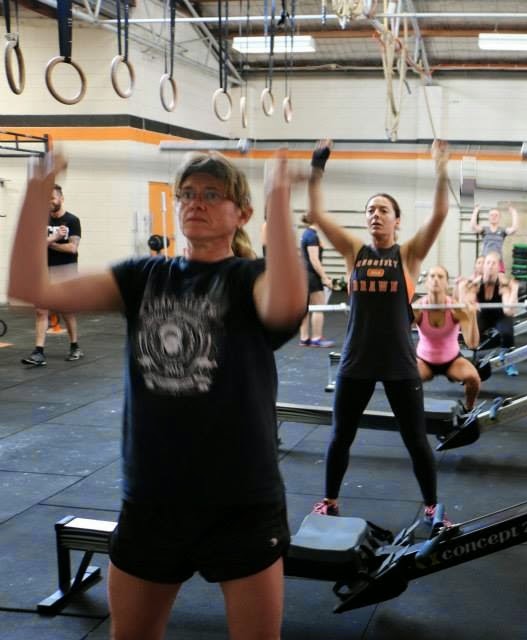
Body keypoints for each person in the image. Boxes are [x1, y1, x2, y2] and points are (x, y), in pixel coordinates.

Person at [8, 149, 305, 639]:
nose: (196, 203)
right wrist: (36, 195)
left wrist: (280, 197)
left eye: (213, 195)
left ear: (242, 213)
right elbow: (29, 286)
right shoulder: (142, 277)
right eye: (187, 194)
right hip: (152, 497)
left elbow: (287, 306)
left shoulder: (249, 279)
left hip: (240, 499)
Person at [306, 139, 452, 524]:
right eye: (370, 210)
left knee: (416, 440)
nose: (375, 215)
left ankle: (432, 507)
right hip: (356, 360)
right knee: (341, 436)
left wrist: (441, 167)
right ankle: (330, 500)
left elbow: (439, 213)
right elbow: (317, 213)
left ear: (397, 220)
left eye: (383, 210)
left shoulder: (409, 255)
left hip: (399, 362)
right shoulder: (355, 251)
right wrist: (317, 166)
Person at [21, 183, 84, 366]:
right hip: (44, 270)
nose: (49, 202)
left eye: (52, 198)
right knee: (41, 311)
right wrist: (54, 238)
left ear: (61, 199)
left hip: (66, 270)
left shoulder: (72, 221)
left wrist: (49, 242)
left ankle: (75, 346)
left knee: (67, 311)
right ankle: (38, 352)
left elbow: (72, 248)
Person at [414, 266, 481, 415]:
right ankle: (413, 413)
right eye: (432, 276)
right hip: (424, 361)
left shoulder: (456, 309)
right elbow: (399, 333)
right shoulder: (417, 308)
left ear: (446, 283)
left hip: (452, 361)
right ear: (426, 283)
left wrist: (472, 316)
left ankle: (468, 409)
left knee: (474, 379)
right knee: (406, 380)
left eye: (440, 276)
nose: (436, 279)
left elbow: (473, 344)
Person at [475, 251, 520, 375]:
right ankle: (474, 359)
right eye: (488, 263)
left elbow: (508, 310)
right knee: (473, 332)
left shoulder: (502, 285)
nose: (490, 266)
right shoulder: (477, 283)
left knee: (507, 332)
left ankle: (509, 361)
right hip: (483, 315)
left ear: (498, 267)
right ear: (484, 266)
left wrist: (514, 290)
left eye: (493, 263)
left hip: (500, 315)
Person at [299, 215, 335, 347]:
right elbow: (314, 260)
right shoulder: (312, 236)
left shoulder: (306, 234)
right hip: (311, 276)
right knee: (319, 306)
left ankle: (304, 338)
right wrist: (325, 277)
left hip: (304, 275)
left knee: (305, 308)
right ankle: (316, 338)